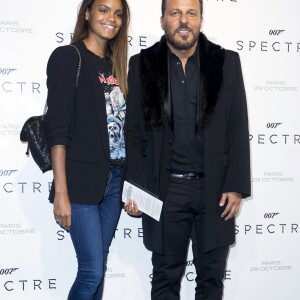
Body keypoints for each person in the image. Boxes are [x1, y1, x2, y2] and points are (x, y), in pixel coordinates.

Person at [124, 0, 250, 299]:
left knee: (211, 282)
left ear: (201, 20)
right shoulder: (142, 64)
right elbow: (134, 133)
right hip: (164, 192)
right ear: (162, 20)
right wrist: (136, 192)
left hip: (215, 190)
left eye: (191, 13)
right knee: (165, 281)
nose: (184, 20)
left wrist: (236, 186)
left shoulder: (226, 62)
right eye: (175, 13)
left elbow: (237, 126)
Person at [44, 0, 130, 299]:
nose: (112, 18)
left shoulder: (116, 65)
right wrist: (61, 193)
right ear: (88, 13)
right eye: (104, 9)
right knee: (91, 271)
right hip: (79, 183)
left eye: (118, 14)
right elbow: (57, 129)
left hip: (115, 181)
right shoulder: (69, 57)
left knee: (98, 268)